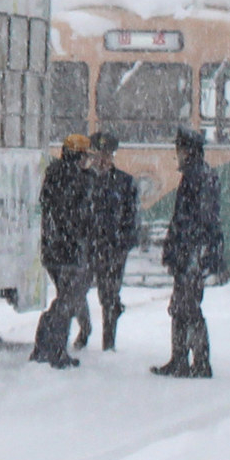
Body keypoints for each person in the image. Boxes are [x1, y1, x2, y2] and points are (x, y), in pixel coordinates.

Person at [153, 125, 221, 378]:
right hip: (190, 252)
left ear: (189, 151)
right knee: (183, 306)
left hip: (191, 253)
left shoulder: (197, 177)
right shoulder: (199, 175)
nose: (177, 155)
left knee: (188, 307)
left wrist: (187, 250)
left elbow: (196, 220)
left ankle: (197, 361)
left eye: (179, 150)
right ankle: (181, 359)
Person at [30, 131, 97, 368]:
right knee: (67, 301)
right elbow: (82, 218)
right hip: (70, 252)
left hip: (53, 251)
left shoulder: (53, 174)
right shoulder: (79, 180)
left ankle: (44, 347)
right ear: (78, 156)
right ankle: (54, 349)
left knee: (64, 299)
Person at [89, 143, 141, 351]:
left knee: (108, 294)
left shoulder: (124, 182)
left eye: (106, 155)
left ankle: (108, 342)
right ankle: (84, 331)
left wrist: (123, 244)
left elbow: (132, 217)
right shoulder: (85, 179)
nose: (101, 160)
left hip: (112, 247)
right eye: (97, 155)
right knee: (75, 293)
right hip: (88, 245)